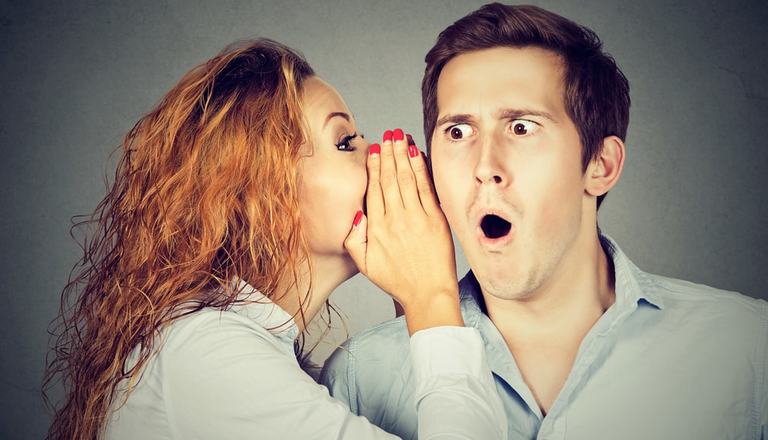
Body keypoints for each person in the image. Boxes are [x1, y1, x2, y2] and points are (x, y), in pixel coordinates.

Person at [320, 4, 768, 439]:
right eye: (458, 132)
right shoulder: (360, 379)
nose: (484, 165)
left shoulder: (747, 350)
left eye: (520, 127)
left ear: (600, 164)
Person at [42, 38, 507, 440]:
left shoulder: (229, 344)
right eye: (345, 143)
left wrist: (410, 300)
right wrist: (432, 295)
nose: (381, 155)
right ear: (265, 192)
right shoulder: (207, 350)